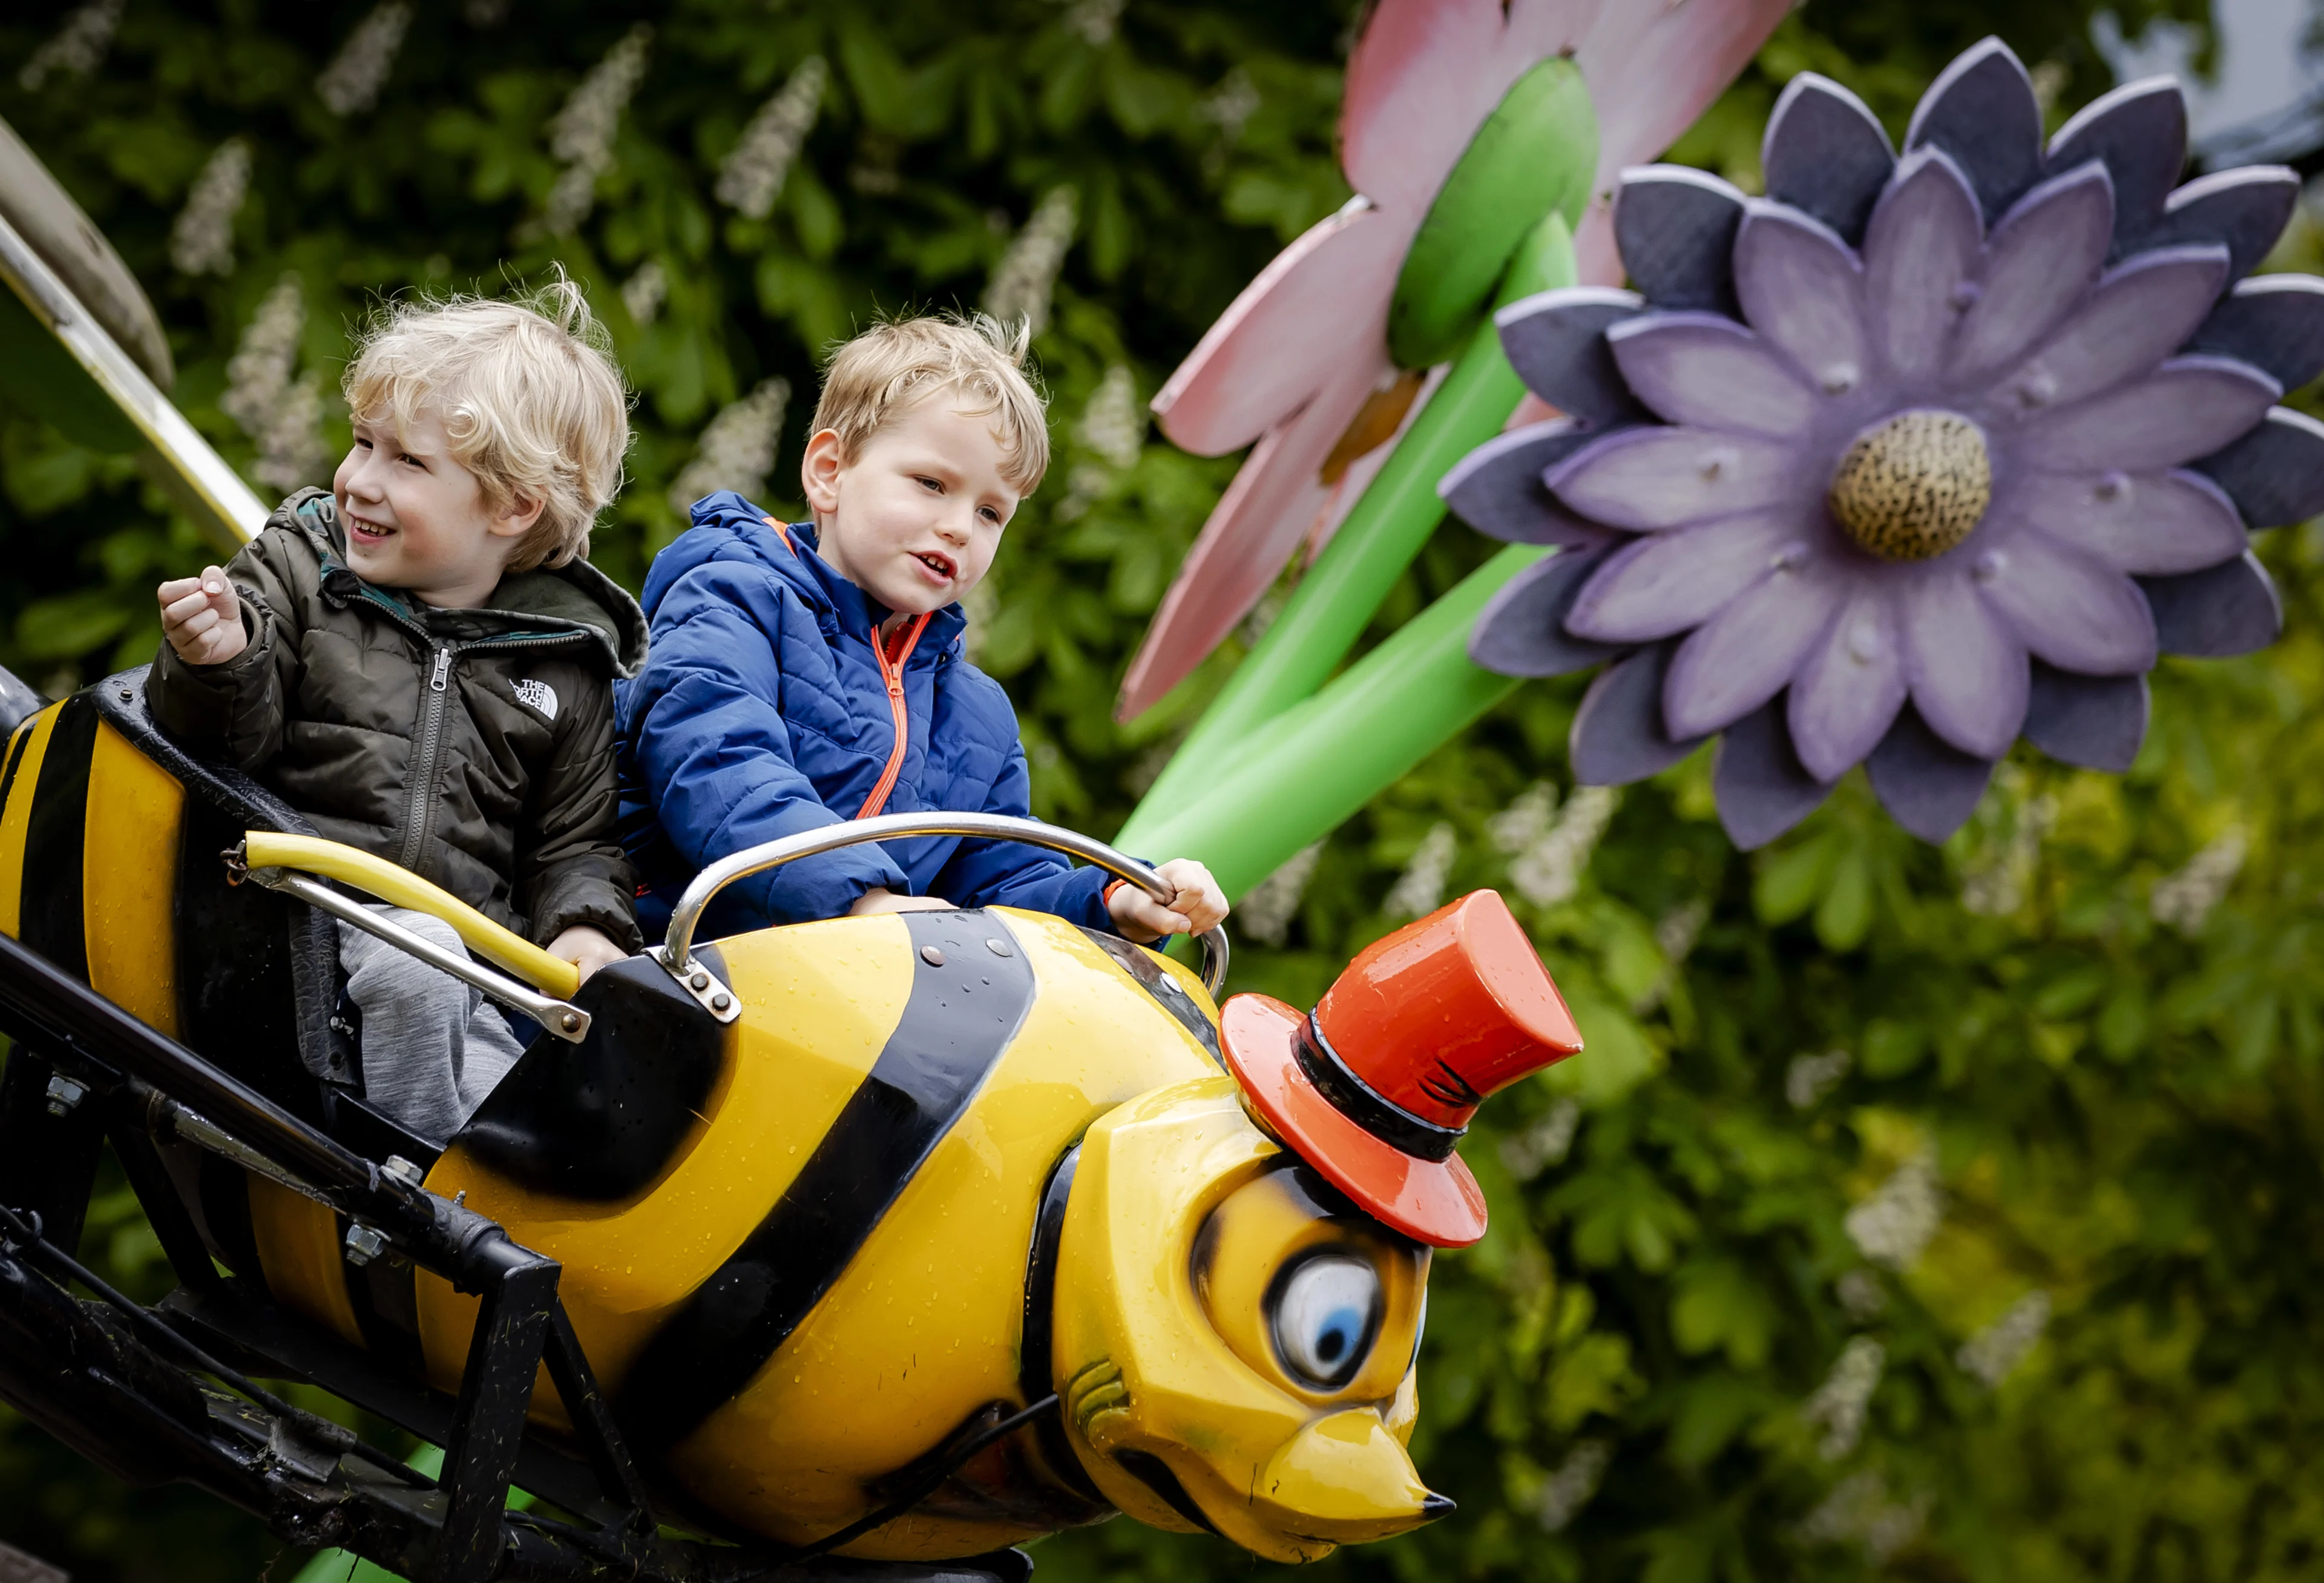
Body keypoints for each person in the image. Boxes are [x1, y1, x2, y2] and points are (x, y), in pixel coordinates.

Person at [146, 278, 646, 1143]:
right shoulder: (300, 571)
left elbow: (573, 842)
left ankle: (470, 1194)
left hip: (461, 978)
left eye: (407, 462)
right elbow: (218, 742)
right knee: (424, 967)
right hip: (279, 922)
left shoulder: (565, 664)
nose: (359, 482)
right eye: (362, 442)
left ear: (513, 507)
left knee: (551, 1112)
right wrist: (222, 657)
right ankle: (402, 1183)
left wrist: (583, 925)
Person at [617, 314, 1228, 945]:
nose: (960, 527)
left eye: (990, 512)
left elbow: (1000, 888)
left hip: (834, 992)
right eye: (932, 484)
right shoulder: (732, 595)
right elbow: (717, 763)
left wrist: (1112, 901)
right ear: (829, 471)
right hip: (656, 959)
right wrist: (863, 901)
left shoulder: (978, 717)